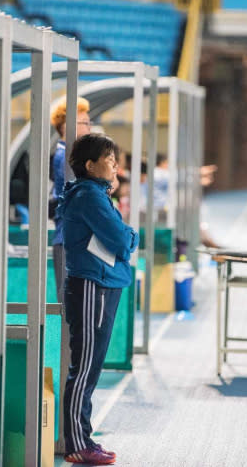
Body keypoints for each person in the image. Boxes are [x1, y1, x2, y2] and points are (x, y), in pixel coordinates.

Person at [57, 134, 139, 465]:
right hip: (93, 286)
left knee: (90, 366)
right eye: (109, 158)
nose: (115, 164)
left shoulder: (96, 195)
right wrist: (133, 235)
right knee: (85, 366)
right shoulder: (89, 196)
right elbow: (122, 241)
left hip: (101, 284)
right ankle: (77, 442)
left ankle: (83, 437)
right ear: (90, 166)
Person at [50, 96, 91, 305]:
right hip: (68, 240)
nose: (89, 129)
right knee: (71, 306)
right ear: (67, 126)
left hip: (73, 239)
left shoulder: (71, 156)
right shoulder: (65, 157)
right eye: (84, 123)